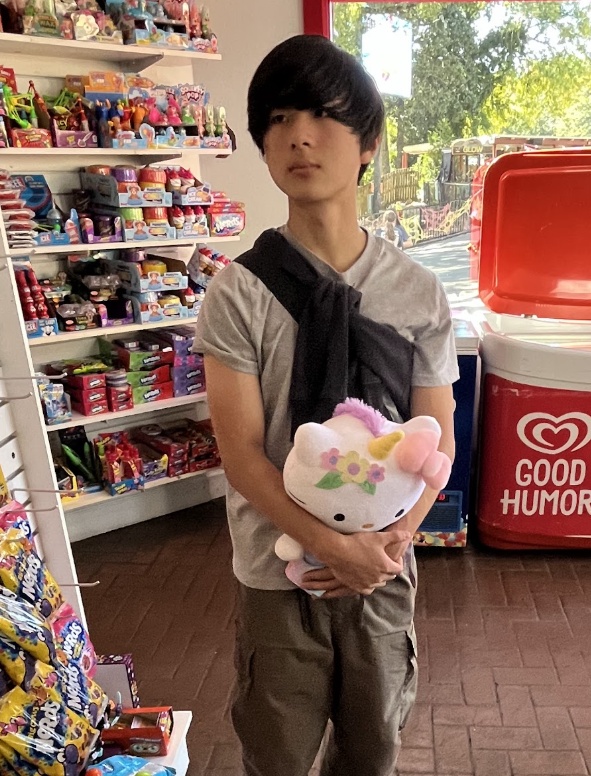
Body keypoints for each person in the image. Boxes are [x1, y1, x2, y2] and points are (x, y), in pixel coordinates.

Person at [192, 34, 458, 776]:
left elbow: (439, 447)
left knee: (372, 751)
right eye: (277, 119)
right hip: (276, 575)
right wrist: (329, 542)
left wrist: (385, 547)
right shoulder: (238, 291)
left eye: (321, 115)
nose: (298, 136)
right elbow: (242, 454)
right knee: (277, 754)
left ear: (368, 141)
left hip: (381, 568)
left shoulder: (418, 291)